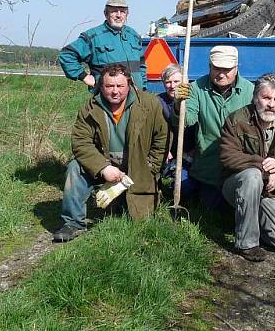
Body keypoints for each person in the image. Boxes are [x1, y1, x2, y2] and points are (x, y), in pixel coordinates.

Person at [53, 63, 167, 242]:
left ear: (129, 84)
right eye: (109, 86)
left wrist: (151, 166)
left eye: (120, 86)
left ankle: (128, 201)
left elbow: (162, 138)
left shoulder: (149, 103)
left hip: (138, 166)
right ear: (101, 86)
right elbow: (81, 142)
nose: (115, 91)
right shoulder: (90, 107)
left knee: (138, 218)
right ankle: (73, 223)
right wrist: (103, 168)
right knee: (75, 167)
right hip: (105, 164)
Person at [220, 73, 275, 261]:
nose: (271, 104)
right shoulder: (236, 120)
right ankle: (247, 244)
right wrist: (264, 169)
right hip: (236, 186)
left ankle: (252, 222)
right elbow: (228, 157)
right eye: (266, 98)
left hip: (270, 192)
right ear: (255, 97)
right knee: (252, 176)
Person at [174, 45, 254, 208]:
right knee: (210, 207)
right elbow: (187, 120)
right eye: (217, 68)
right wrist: (178, 104)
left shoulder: (250, 91)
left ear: (236, 68)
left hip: (238, 167)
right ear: (210, 66)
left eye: (227, 69)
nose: (221, 73)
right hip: (208, 168)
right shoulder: (197, 88)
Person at [58, 0, 146, 91]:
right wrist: (84, 77)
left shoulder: (133, 36)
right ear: (106, 13)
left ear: (127, 14)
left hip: (136, 97)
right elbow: (66, 55)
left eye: (122, 11)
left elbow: (141, 64)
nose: (119, 15)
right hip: (107, 99)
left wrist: (143, 86)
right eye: (114, 11)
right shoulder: (93, 36)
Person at [156, 63, 195, 195]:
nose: (172, 86)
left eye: (176, 81)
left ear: (185, 82)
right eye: (168, 82)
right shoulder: (157, 102)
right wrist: (164, 149)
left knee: (187, 187)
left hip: (191, 153)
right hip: (167, 152)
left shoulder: (193, 100)